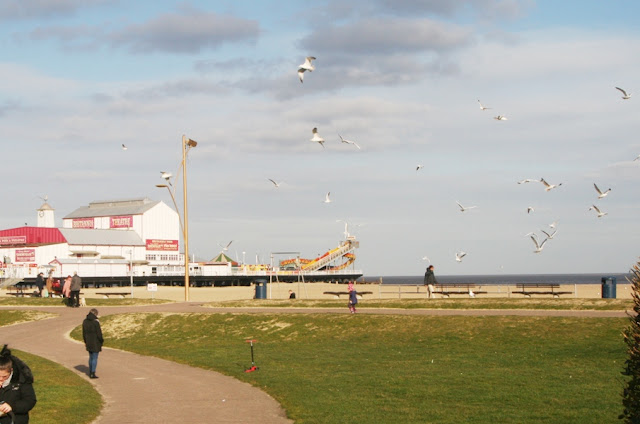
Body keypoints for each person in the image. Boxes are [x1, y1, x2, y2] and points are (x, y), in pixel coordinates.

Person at [0, 345, 37, 424]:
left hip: (16, 420)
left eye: (4, 376)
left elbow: (30, 401)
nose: (1, 379)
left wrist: (12, 406)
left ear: (11, 371)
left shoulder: (22, 380)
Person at [82, 308, 104, 379]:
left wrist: (85, 341)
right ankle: (92, 372)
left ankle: (90, 370)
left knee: (90, 357)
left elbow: (84, 333)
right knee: (94, 357)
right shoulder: (95, 322)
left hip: (88, 341)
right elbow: (99, 333)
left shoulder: (85, 321)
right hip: (95, 341)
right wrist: (101, 340)